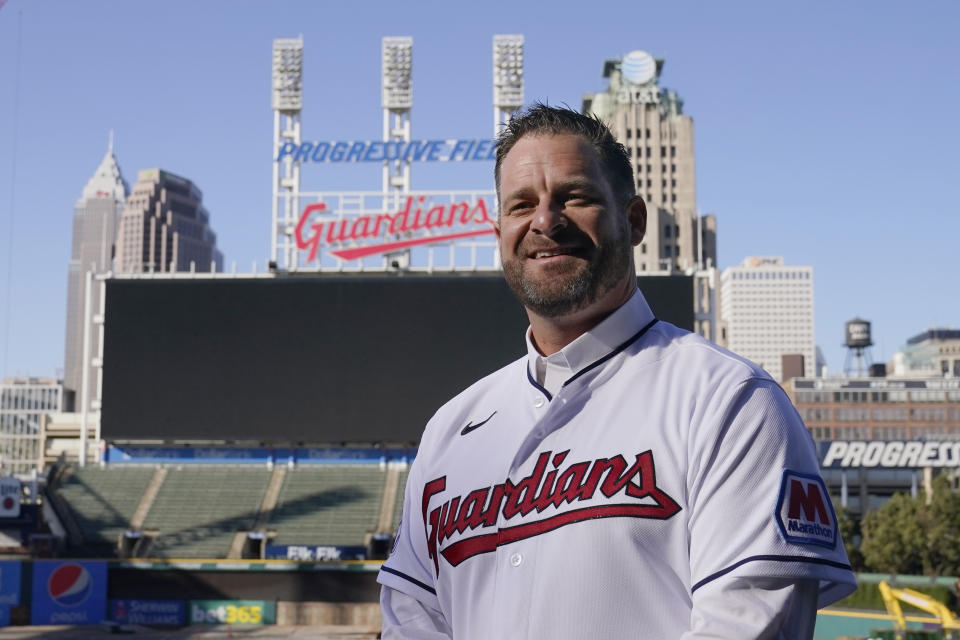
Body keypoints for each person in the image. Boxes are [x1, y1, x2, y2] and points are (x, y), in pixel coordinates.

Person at [377, 104, 856, 639]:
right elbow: (412, 625)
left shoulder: (730, 400)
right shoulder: (450, 428)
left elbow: (746, 628)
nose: (545, 221)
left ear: (633, 221)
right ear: (500, 234)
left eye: (574, 197)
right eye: (521, 205)